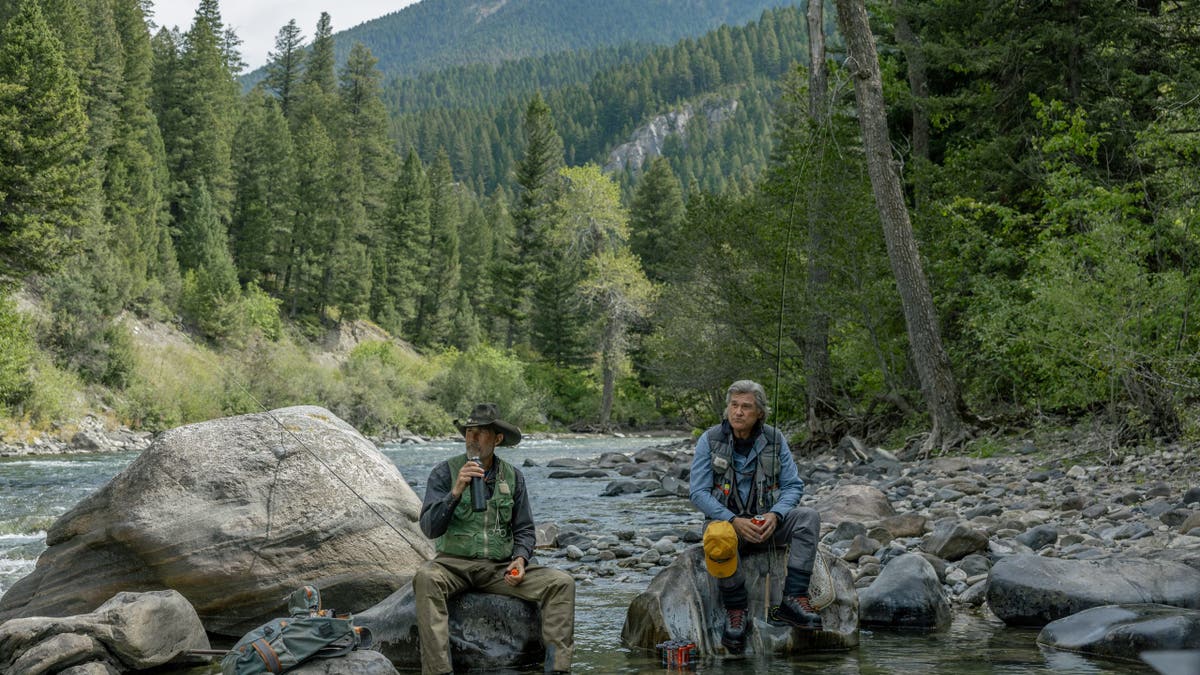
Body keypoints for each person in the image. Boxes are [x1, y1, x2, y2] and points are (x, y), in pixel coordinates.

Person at [413, 403, 575, 674]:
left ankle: (558, 669)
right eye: (468, 432)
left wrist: (521, 561)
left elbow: (524, 530)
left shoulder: (513, 477)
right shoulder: (444, 472)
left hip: (499, 569)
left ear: (497, 439)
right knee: (425, 578)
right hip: (452, 566)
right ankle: (439, 671)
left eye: (480, 433)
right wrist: (455, 492)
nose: (472, 439)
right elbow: (430, 528)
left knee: (562, 583)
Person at [689, 380, 823, 653]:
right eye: (734, 405)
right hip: (729, 526)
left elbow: (793, 485)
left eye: (746, 407)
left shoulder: (776, 439)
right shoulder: (709, 439)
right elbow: (698, 493)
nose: (738, 412)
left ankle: (794, 600)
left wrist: (776, 514)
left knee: (808, 517)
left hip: (767, 524)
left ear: (760, 413)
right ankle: (736, 611)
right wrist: (732, 520)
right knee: (717, 534)